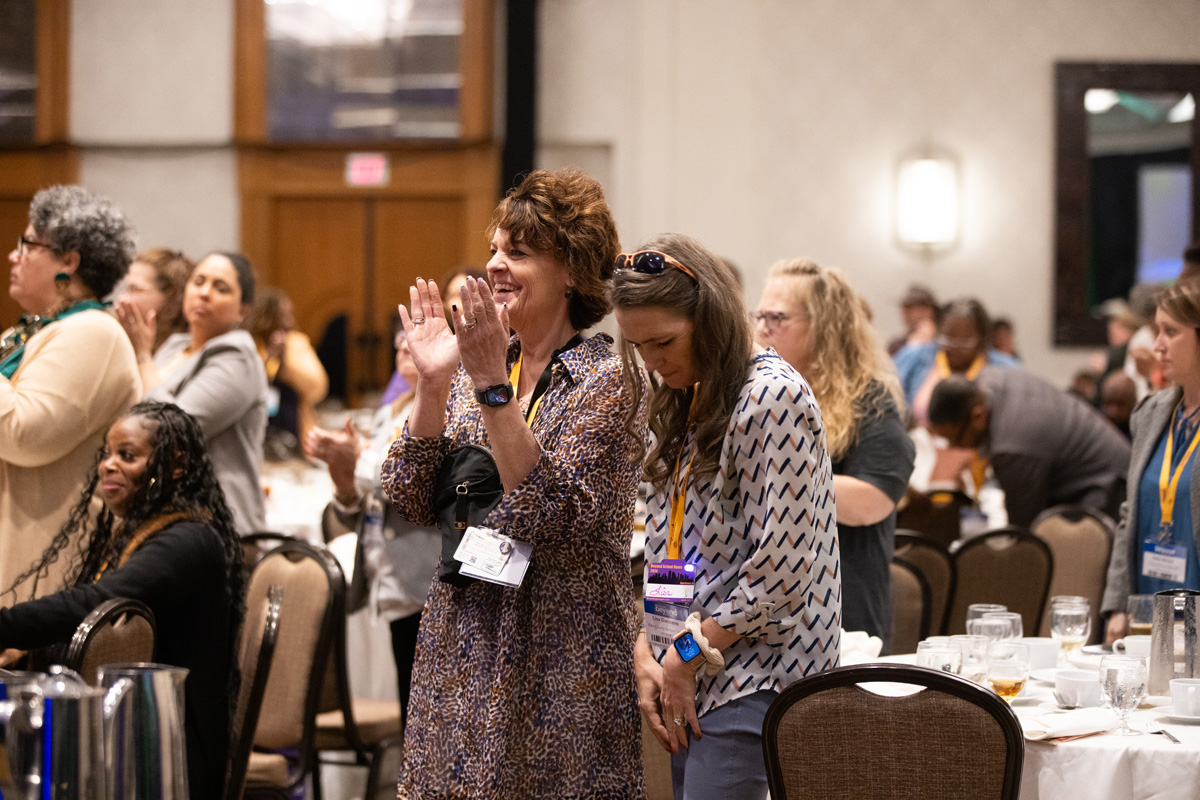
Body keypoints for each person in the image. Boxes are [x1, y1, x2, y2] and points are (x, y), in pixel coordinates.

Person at [380, 168, 647, 800]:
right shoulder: (481, 365)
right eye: (495, 249)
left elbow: (552, 515)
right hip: (462, 643)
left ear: (573, 271)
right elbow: (411, 494)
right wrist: (434, 383)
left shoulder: (609, 380)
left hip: (561, 655)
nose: (496, 265)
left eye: (519, 252)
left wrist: (489, 387)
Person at [613, 234, 840, 800]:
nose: (652, 361)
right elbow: (673, 548)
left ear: (711, 320)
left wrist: (685, 655)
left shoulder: (771, 397)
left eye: (664, 341)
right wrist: (652, 645)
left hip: (756, 677)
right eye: (638, 346)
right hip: (691, 668)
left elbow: (781, 576)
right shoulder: (686, 392)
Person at [0, 401, 245, 799]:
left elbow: (95, 602)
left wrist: (6, 626)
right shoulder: (148, 533)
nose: (108, 466)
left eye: (127, 456)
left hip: (173, 759)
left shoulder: (187, 541)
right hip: (135, 735)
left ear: (176, 465)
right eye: (107, 454)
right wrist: (26, 649)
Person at [755, 258, 914, 649]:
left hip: (845, 616)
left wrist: (775, 473)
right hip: (769, 607)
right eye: (759, 316)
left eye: (776, 318)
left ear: (824, 327)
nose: (761, 329)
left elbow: (872, 501)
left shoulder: (869, 400)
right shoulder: (757, 395)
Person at [1, 185, 141, 596]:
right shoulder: (34, 331)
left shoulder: (93, 334)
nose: (13, 256)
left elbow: (23, 435)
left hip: (42, 569)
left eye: (27, 245)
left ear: (68, 261)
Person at [304, 322, 438, 723]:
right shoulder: (391, 410)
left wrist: (358, 460)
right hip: (389, 576)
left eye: (413, 339)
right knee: (409, 705)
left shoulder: (447, 406)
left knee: (425, 713)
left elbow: (410, 481)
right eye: (398, 342)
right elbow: (368, 495)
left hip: (425, 577)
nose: (403, 346)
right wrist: (344, 481)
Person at [122, 251, 269, 533]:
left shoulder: (238, 358)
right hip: (164, 516)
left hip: (216, 525)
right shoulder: (176, 347)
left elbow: (173, 430)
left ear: (243, 310)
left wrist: (142, 356)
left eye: (220, 288)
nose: (204, 293)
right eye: (198, 282)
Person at [1103, 281, 1200, 642]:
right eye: (1157, 330)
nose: (1157, 345)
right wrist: (1117, 605)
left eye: (1170, 332)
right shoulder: (1150, 413)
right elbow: (1129, 515)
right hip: (1145, 612)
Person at [928, 370, 1131, 528]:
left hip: (1107, 488)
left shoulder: (1012, 447)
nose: (953, 448)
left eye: (954, 439)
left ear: (977, 416)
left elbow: (1025, 533)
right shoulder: (988, 380)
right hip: (1110, 468)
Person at [893, 297, 1020, 427]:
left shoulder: (1006, 368)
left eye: (965, 341)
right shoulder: (915, 357)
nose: (955, 347)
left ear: (981, 339)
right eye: (948, 339)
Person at [247, 287, 329, 444]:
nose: (289, 321)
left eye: (290, 314)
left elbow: (318, 388)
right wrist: (268, 358)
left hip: (295, 433)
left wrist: (284, 364)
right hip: (254, 432)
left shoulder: (296, 344)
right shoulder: (248, 344)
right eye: (283, 315)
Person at [115, 247, 193, 353]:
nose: (123, 299)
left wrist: (142, 356)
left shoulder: (189, 353)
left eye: (135, 289)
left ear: (172, 296)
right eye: (127, 289)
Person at [887, 284, 939, 356]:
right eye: (904, 308)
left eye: (909, 308)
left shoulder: (942, 343)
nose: (904, 312)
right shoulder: (896, 345)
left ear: (927, 311)